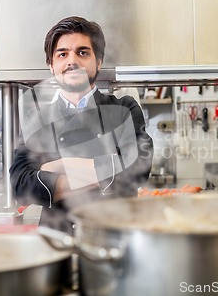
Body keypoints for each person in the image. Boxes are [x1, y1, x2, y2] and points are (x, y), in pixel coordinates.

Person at [9, 16, 153, 226]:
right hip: (58, 239)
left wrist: (58, 166)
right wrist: (106, 172)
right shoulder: (37, 119)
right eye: (62, 54)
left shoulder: (124, 109)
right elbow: (21, 186)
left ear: (99, 61)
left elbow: (138, 169)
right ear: (51, 65)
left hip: (114, 235)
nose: (72, 61)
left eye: (82, 52)